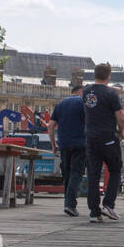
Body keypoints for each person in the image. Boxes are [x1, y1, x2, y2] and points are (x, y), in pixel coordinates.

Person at [83, 63, 124, 223]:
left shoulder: (86, 91)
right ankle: (108, 204)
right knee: (115, 169)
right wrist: (121, 131)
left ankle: (94, 212)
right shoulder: (111, 93)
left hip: (90, 137)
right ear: (109, 76)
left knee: (93, 174)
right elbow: (121, 117)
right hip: (107, 137)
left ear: (94, 74)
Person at [48, 82, 86, 218]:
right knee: (76, 173)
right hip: (81, 143)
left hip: (64, 144)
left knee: (67, 174)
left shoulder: (60, 105)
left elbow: (50, 126)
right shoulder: (84, 104)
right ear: (81, 92)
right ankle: (70, 205)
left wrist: (53, 145)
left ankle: (67, 204)